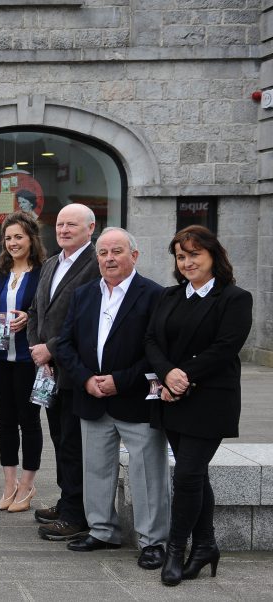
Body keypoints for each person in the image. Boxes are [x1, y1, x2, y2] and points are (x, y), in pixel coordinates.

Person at [54, 227, 169, 570]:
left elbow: (158, 352)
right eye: (103, 253)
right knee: (97, 469)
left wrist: (120, 381)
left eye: (116, 251)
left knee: (148, 472)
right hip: (92, 397)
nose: (109, 258)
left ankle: (153, 542)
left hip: (135, 399)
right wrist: (86, 379)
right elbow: (65, 343)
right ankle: (103, 530)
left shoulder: (155, 295)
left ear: (134, 256)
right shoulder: (84, 293)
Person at [144, 225, 252, 586]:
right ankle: (205, 545)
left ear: (212, 256)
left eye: (194, 254)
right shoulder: (170, 296)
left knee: (187, 474)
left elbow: (224, 348)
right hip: (171, 399)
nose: (187, 262)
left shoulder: (234, 298)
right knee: (196, 476)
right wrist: (167, 373)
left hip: (209, 401)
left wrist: (182, 376)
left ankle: (176, 550)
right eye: (181, 256)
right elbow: (151, 341)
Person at [26, 203, 100, 540]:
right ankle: (66, 498)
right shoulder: (52, 263)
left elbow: (87, 318)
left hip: (74, 368)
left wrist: (51, 348)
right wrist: (37, 350)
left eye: (72, 224)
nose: (64, 230)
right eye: (59, 224)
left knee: (73, 442)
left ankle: (76, 514)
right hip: (49, 371)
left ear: (91, 228)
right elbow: (35, 310)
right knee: (59, 438)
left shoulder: (96, 264)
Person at [0, 212, 45, 512]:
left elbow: (50, 312)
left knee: (29, 421)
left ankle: (27, 484)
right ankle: (9, 483)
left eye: (19, 236)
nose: (13, 243)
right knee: (5, 421)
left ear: (31, 238)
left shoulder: (44, 272)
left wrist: (29, 317)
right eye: (8, 238)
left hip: (28, 359)